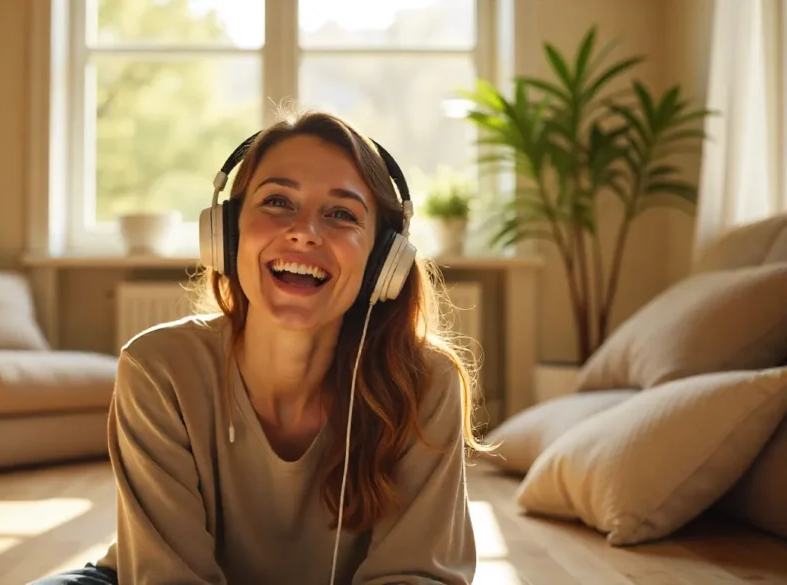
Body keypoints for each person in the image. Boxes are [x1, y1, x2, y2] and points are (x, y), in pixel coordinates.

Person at [29, 110, 486, 585]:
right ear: (227, 233)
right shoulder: (157, 368)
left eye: (341, 213)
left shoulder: (424, 381)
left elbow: (416, 577)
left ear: (382, 259)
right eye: (277, 202)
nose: (305, 230)